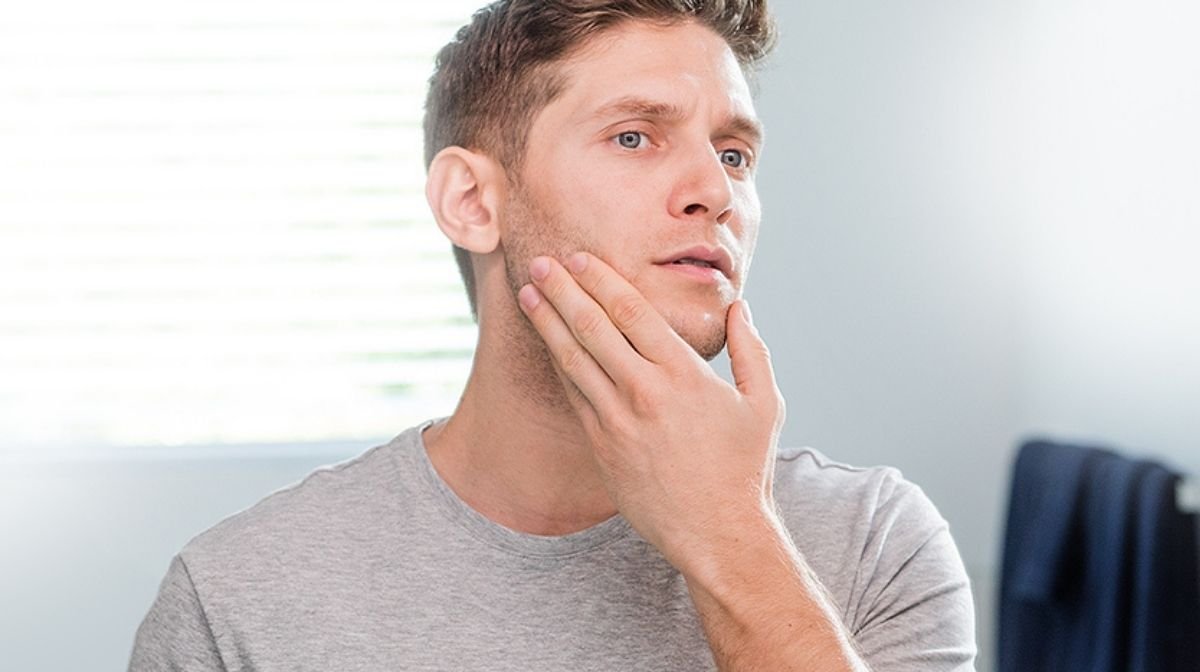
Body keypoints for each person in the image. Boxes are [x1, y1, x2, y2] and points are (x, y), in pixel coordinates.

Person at [128, 1, 977, 670]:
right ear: (471, 202)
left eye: (733, 155)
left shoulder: (873, 544)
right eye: (634, 136)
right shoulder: (241, 598)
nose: (714, 193)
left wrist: (729, 531)